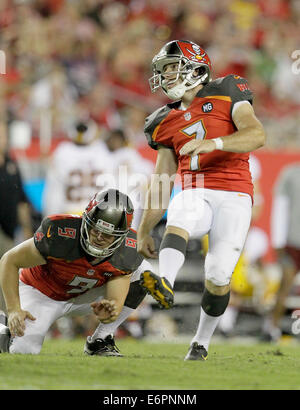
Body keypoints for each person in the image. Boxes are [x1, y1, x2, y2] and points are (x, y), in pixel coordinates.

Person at [137, 40, 266, 360]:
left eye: (171, 67)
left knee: (220, 275)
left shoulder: (229, 89)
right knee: (182, 208)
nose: (166, 77)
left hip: (235, 194)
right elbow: (163, 180)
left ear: (195, 66)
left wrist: (215, 143)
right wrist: (143, 229)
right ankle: (164, 281)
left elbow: (256, 134)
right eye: (162, 71)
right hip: (196, 190)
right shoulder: (162, 120)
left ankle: (201, 342)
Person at [0, 189, 151, 355]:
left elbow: (117, 294)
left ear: (121, 236)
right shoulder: (60, 232)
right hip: (41, 293)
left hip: (84, 295)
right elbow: (9, 260)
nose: (99, 237)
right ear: (86, 220)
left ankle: (100, 340)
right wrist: (14, 309)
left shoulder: (129, 248)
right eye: (95, 230)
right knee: (24, 351)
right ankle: (3, 326)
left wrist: (111, 308)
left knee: (146, 274)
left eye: (107, 235)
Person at [42, 119, 112, 216]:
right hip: (96, 216)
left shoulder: (63, 152)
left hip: (70, 214)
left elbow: (54, 194)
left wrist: (49, 219)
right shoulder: (102, 152)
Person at [262, 163, 300, 341]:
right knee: (284, 287)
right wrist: (278, 240)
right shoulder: (290, 173)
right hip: (293, 240)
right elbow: (280, 207)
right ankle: (272, 328)